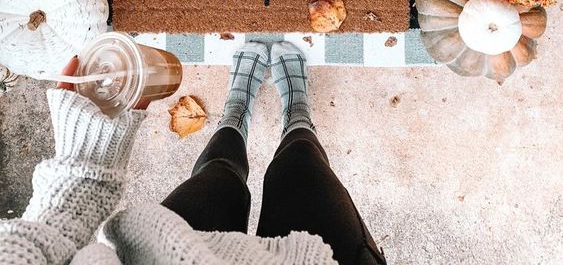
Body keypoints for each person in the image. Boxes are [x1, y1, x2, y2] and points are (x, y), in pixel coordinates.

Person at [0, 41, 386, 264]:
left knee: (217, 175)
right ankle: (297, 113)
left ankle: (237, 111)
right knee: (302, 167)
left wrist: (83, 171)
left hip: (163, 253)